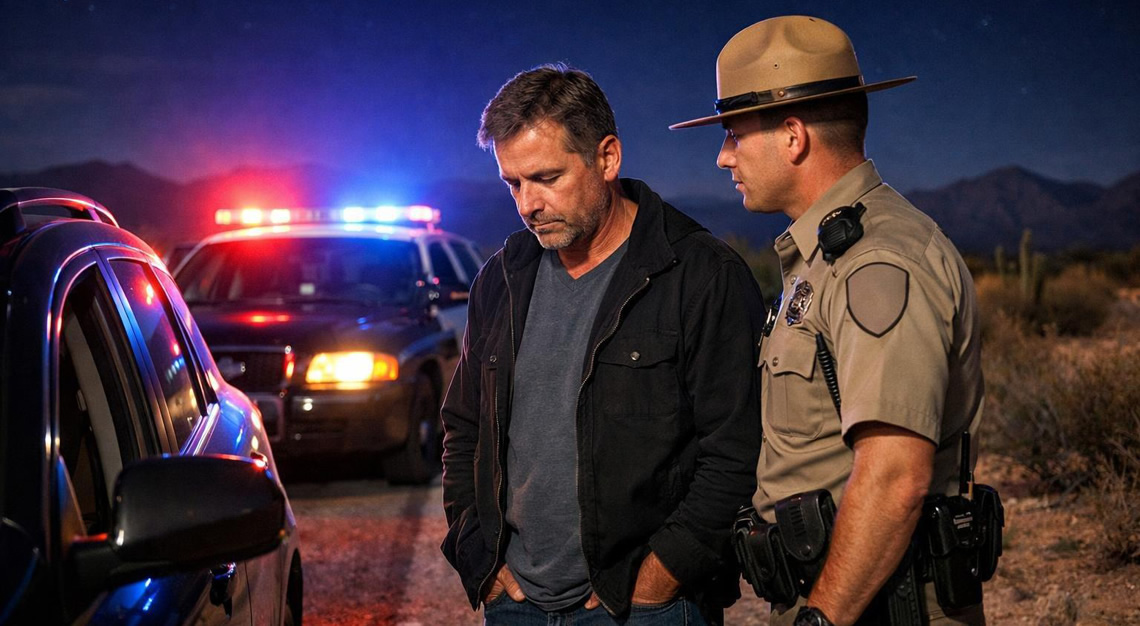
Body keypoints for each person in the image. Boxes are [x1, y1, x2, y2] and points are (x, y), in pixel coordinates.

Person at [671, 16, 988, 626]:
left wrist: (823, 617)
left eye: (735, 134)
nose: (722, 156)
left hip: (872, 605)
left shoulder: (877, 262)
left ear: (793, 136)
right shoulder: (826, 259)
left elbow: (895, 476)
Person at [440, 63, 766, 625]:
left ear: (607, 158)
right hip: (516, 604)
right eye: (513, 183)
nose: (527, 205)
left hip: (647, 607)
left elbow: (735, 451)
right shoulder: (502, 279)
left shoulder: (700, 275)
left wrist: (660, 578)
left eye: (546, 178)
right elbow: (464, 427)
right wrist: (479, 557)